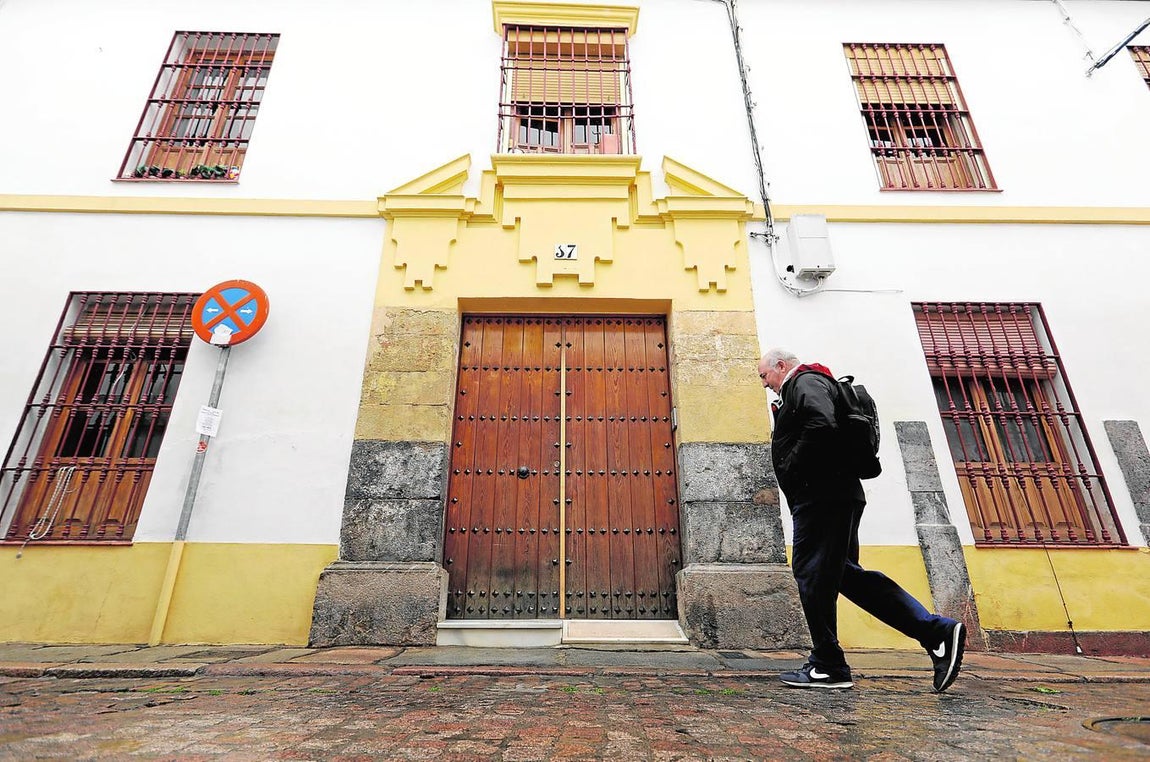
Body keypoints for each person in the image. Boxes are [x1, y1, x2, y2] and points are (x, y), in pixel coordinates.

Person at [758, 347, 966, 692]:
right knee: (841, 576)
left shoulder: (804, 381)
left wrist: (794, 467)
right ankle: (935, 632)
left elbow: (821, 423)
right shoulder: (810, 383)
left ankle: (828, 664)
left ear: (781, 366)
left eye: (765, 376)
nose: (765, 384)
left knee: (810, 574)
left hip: (822, 497)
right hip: (835, 495)